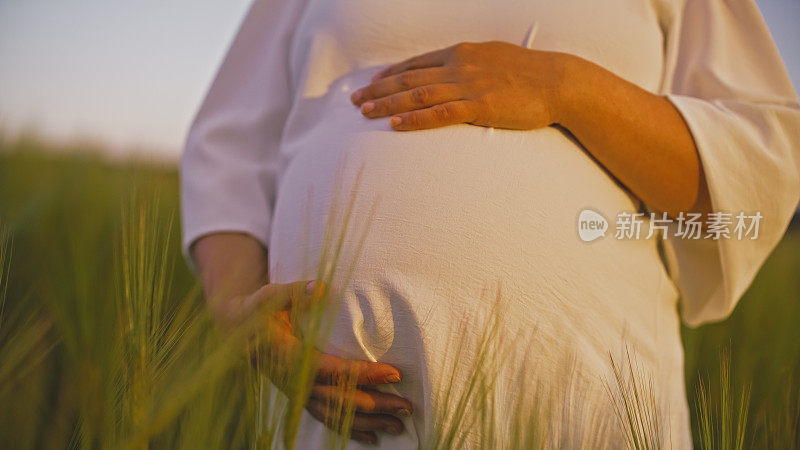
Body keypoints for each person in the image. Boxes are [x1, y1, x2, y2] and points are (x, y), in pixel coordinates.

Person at [181, 0, 800, 447]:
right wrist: (240, 311)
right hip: (332, 417)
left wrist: (565, 86)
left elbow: (755, 166)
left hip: (589, 413)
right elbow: (228, 149)